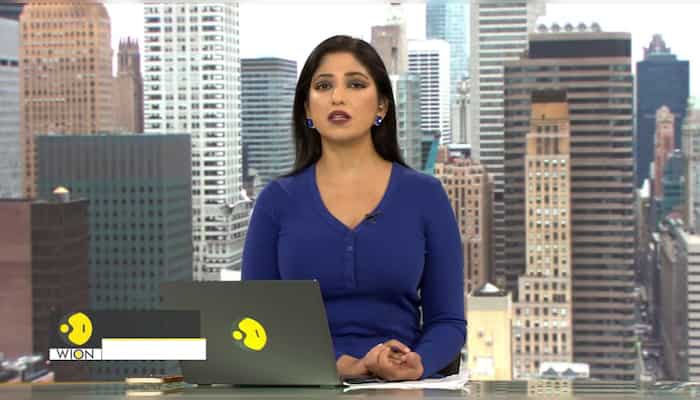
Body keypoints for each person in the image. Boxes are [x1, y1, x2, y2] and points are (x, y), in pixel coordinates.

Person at [241, 35, 465, 381]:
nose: (338, 97)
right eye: (323, 85)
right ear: (307, 109)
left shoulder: (425, 195)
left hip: (401, 386)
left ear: (382, 107)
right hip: (305, 383)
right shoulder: (276, 200)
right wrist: (347, 366)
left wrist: (417, 363)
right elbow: (253, 322)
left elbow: (448, 321)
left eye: (356, 84)